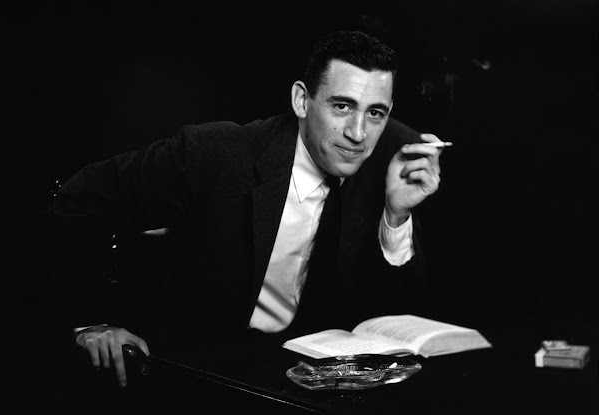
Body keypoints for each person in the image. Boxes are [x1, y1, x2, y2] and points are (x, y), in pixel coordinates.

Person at [52, 30, 445, 388]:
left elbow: (394, 318)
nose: (358, 134)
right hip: (196, 371)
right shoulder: (216, 153)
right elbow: (82, 197)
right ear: (301, 101)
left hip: (307, 379)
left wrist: (396, 217)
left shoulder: (384, 168)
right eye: (342, 106)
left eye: (375, 113)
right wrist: (91, 323)